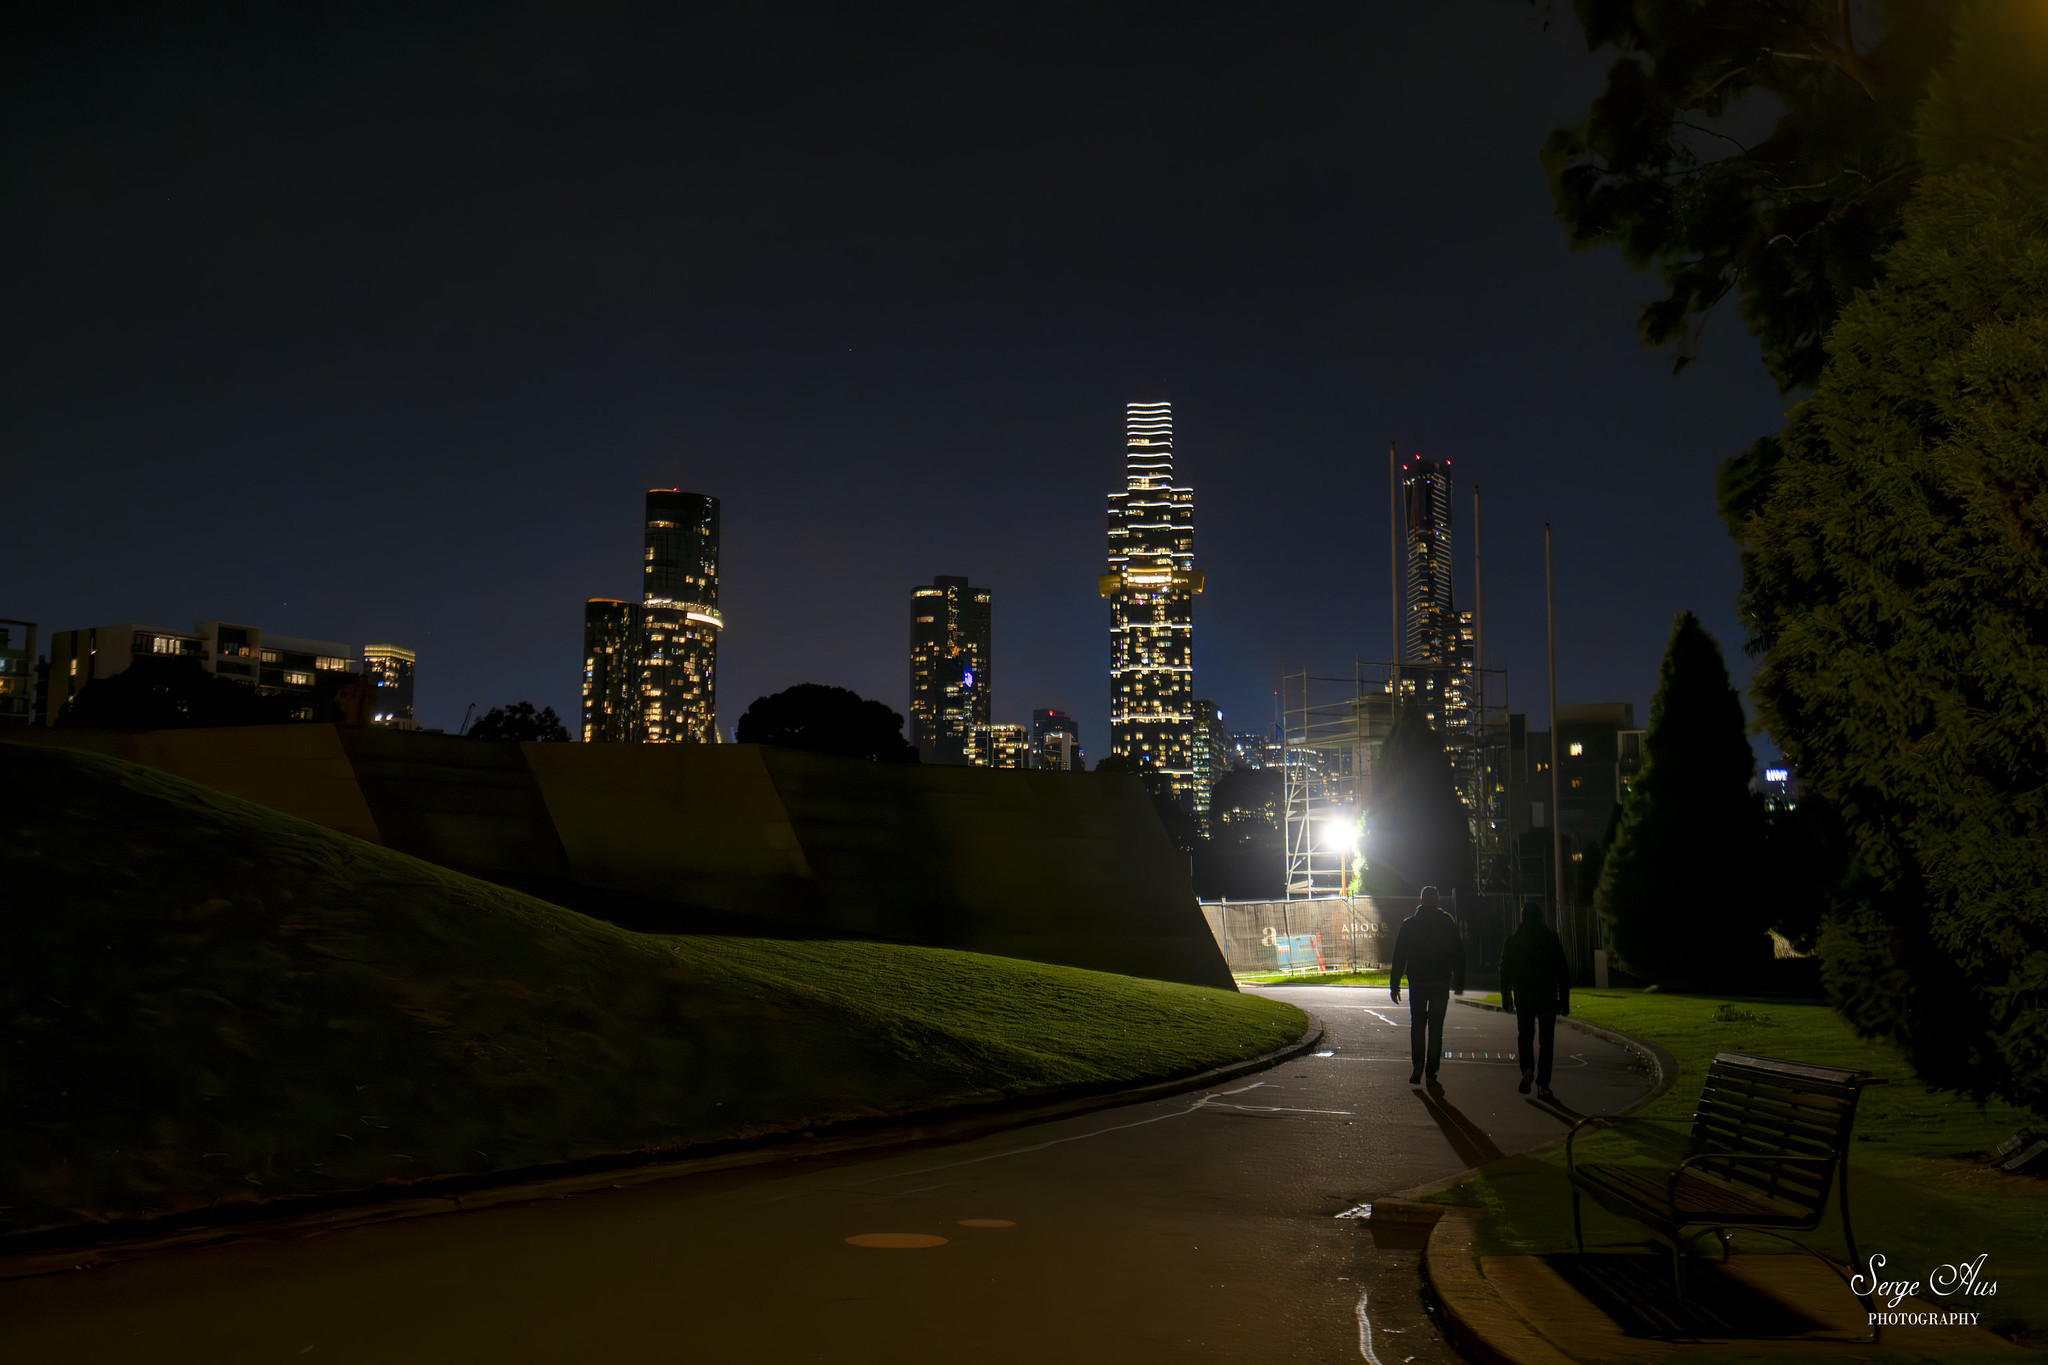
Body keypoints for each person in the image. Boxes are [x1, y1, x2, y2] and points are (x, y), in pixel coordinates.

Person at [1388, 886, 1465, 1087]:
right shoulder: (1447, 923)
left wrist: (1394, 984)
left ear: (1421, 901)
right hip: (1440, 980)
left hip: (1418, 981)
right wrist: (1459, 978)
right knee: (1436, 1028)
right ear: (1438, 901)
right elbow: (1458, 952)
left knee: (1418, 1026)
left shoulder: (1410, 925)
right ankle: (1431, 1070)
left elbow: (1399, 956)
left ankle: (1417, 1066)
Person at [1499, 901, 1572, 1098]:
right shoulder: (1550, 939)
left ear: (1522, 917)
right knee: (1547, 1040)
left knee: (1525, 1034)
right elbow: (1562, 971)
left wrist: (1506, 997)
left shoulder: (1513, 940)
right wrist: (1564, 1000)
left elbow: (1505, 971)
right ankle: (1543, 1082)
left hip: (1524, 994)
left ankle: (1527, 1069)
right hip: (1547, 994)